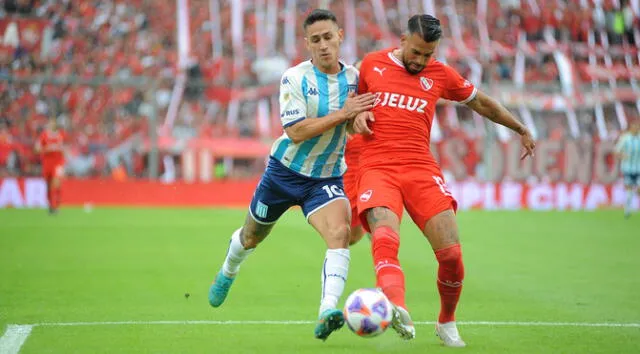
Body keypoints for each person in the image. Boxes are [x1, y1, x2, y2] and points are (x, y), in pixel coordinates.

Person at [352, 14, 536, 347]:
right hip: (376, 167)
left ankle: (446, 322)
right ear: (403, 40)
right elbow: (347, 103)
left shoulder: (439, 74)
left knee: (451, 255)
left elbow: (480, 102)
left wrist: (520, 128)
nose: (421, 61)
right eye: (417, 52)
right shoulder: (370, 65)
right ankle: (397, 306)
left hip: (421, 169)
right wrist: (356, 112)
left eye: (429, 54)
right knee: (384, 236)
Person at [207, 9, 376, 341]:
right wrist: (344, 113)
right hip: (283, 173)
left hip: (326, 178)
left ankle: (327, 309)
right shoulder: (294, 78)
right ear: (307, 44)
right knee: (251, 237)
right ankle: (229, 269)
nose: (324, 45)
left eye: (329, 37)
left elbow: (354, 122)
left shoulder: (356, 78)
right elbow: (297, 131)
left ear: (340, 36)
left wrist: (358, 121)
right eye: (316, 40)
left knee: (339, 234)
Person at [35, 118, 66, 215]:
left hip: (58, 163)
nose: (52, 124)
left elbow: (66, 148)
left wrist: (63, 154)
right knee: (48, 186)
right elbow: (37, 148)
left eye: (53, 123)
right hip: (47, 163)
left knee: (56, 183)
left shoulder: (61, 134)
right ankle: (51, 205)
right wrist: (46, 149)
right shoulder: (44, 135)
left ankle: (56, 206)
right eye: (50, 123)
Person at [615, 121, 640, 219]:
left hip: (638, 168)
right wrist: (623, 156)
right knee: (629, 190)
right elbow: (616, 151)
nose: (636, 128)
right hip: (628, 169)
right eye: (634, 126)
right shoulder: (625, 138)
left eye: (637, 126)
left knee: (638, 188)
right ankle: (627, 210)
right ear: (630, 128)